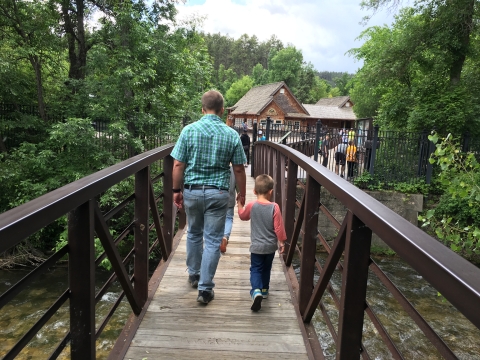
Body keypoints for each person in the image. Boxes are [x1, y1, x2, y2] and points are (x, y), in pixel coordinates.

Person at [171, 90, 247, 304]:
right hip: (219, 192)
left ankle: (194, 274)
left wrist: (176, 191)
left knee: (194, 233)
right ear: (223, 110)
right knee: (213, 240)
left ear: (202, 109)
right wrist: (241, 192)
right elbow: (239, 169)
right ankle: (205, 289)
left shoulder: (189, 131)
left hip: (192, 190)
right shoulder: (231, 134)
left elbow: (178, 164)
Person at [237, 174, 287, 312]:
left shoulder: (252, 205)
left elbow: (243, 216)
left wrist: (240, 205)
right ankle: (264, 290)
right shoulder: (274, 207)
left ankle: (256, 290)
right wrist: (281, 242)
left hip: (256, 246)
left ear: (254, 191)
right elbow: (279, 228)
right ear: (271, 191)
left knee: (255, 268)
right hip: (270, 247)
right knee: (266, 268)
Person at [221, 166, 236, 253]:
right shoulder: (234, 169)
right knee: (229, 218)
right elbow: (238, 182)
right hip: (230, 197)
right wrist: (241, 194)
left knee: (216, 217)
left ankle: (217, 238)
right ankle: (225, 237)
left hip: (217, 196)